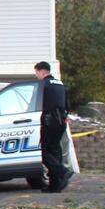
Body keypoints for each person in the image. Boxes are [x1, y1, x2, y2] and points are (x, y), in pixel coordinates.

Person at [34, 61, 70, 192]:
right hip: (61, 121)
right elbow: (67, 104)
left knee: (45, 152)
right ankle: (55, 186)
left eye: (37, 73)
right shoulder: (60, 84)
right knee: (55, 153)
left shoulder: (43, 84)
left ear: (42, 71)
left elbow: (37, 102)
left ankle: (63, 172)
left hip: (49, 121)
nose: (36, 76)